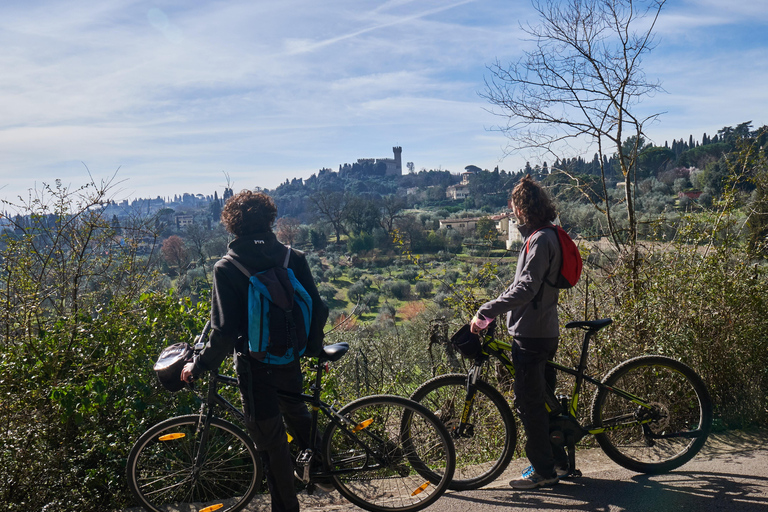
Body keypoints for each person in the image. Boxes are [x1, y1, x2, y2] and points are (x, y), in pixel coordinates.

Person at [181, 190, 329, 512]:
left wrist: (199, 365)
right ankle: (323, 467)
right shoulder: (293, 257)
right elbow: (319, 308)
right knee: (297, 412)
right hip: (289, 357)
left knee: (272, 444)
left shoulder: (227, 268)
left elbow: (223, 333)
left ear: (232, 225)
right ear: (270, 219)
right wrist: (310, 350)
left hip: (254, 366)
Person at [469, 175, 568, 490]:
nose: (511, 211)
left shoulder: (540, 239)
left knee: (530, 404)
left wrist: (487, 310)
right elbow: (522, 286)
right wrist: (501, 309)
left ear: (522, 208)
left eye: (513, 206)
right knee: (546, 400)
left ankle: (544, 471)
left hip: (532, 335)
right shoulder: (545, 235)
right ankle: (559, 462)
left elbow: (526, 288)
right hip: (541, 329)